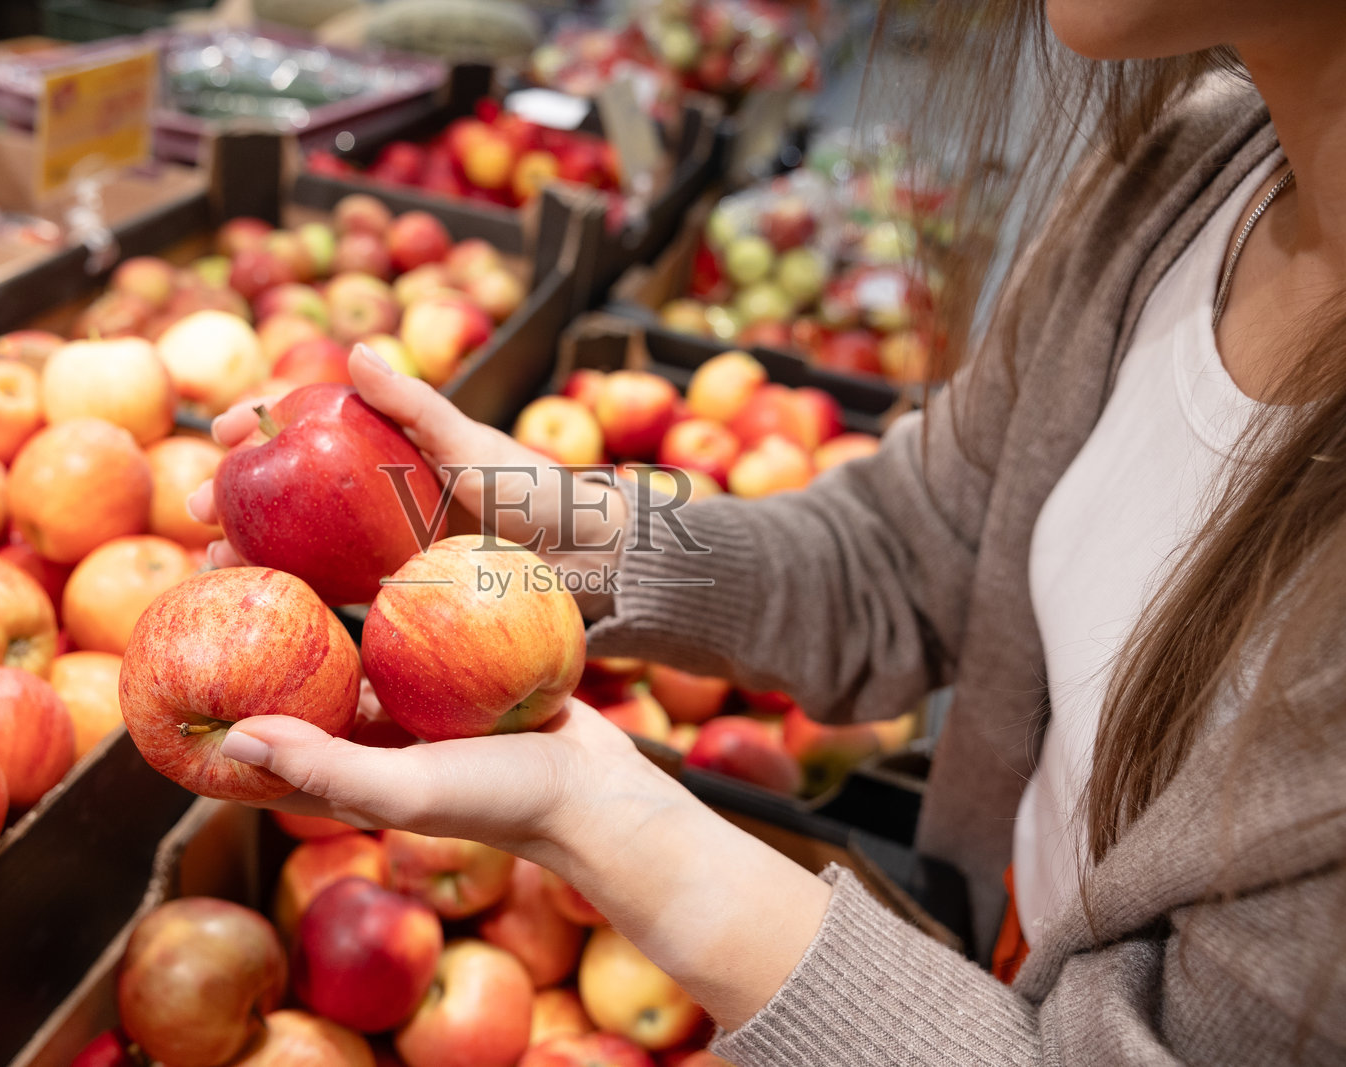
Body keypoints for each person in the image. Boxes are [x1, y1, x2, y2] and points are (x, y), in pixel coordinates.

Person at [187, 1, 1346, 1061]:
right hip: (988, 938)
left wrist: (610, 824)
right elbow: (901, 552)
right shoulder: (1190, 172)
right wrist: (556, 520)